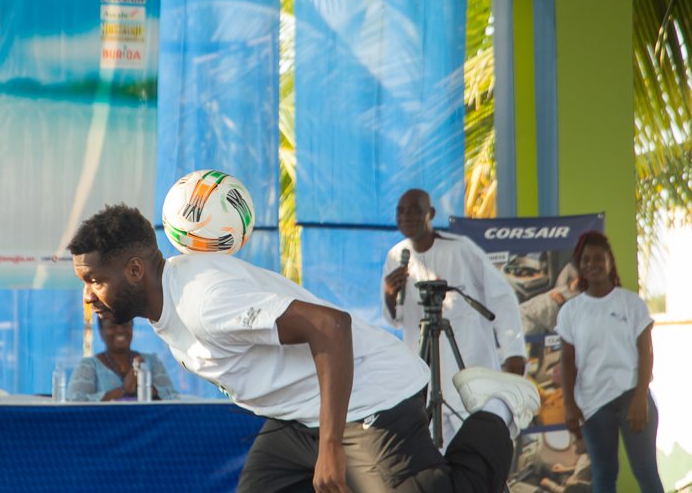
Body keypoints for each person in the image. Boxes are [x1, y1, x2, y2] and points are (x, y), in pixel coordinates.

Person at [68, 204, 540, 492]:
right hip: (298, 417)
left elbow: (331, 327)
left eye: (94, 280)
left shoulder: (204, 302)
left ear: (135, 270)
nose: (88, 296)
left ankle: (497, 408)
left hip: (370, 400)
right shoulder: (168, 292)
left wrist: (331, 447)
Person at [382, 188, 527, 448]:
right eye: (400, 211)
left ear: (430, 213)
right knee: (434, 457)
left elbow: (501, 298)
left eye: (414, 210)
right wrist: (390, 294)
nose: (406, 217)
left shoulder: (460, 249)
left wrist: (513, 351)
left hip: (469, 372)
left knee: (476, 451)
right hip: (426, 379)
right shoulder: (396, 256)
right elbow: (396, 319)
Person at [555, 231, 665, 493]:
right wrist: (569, 405)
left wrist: (640, 397)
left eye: (598, 258)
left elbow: (646, 353)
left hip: (632, 397)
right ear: (579, 265)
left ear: (609, 262)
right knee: (604, 475)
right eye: (586, 260)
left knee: (646, 472)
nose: (591, 264)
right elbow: (567, 362)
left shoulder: (631, 303)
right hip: (593, 403)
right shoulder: (571, 311)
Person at [67, 317, 178, 402]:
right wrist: (123, 390)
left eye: (125, 325)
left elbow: (174, 397)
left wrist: (144, 386)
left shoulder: (151, 362)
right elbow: (74, 401)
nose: (120, 330)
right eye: (112, 326)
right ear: (101, 331)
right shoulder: (88, 366)